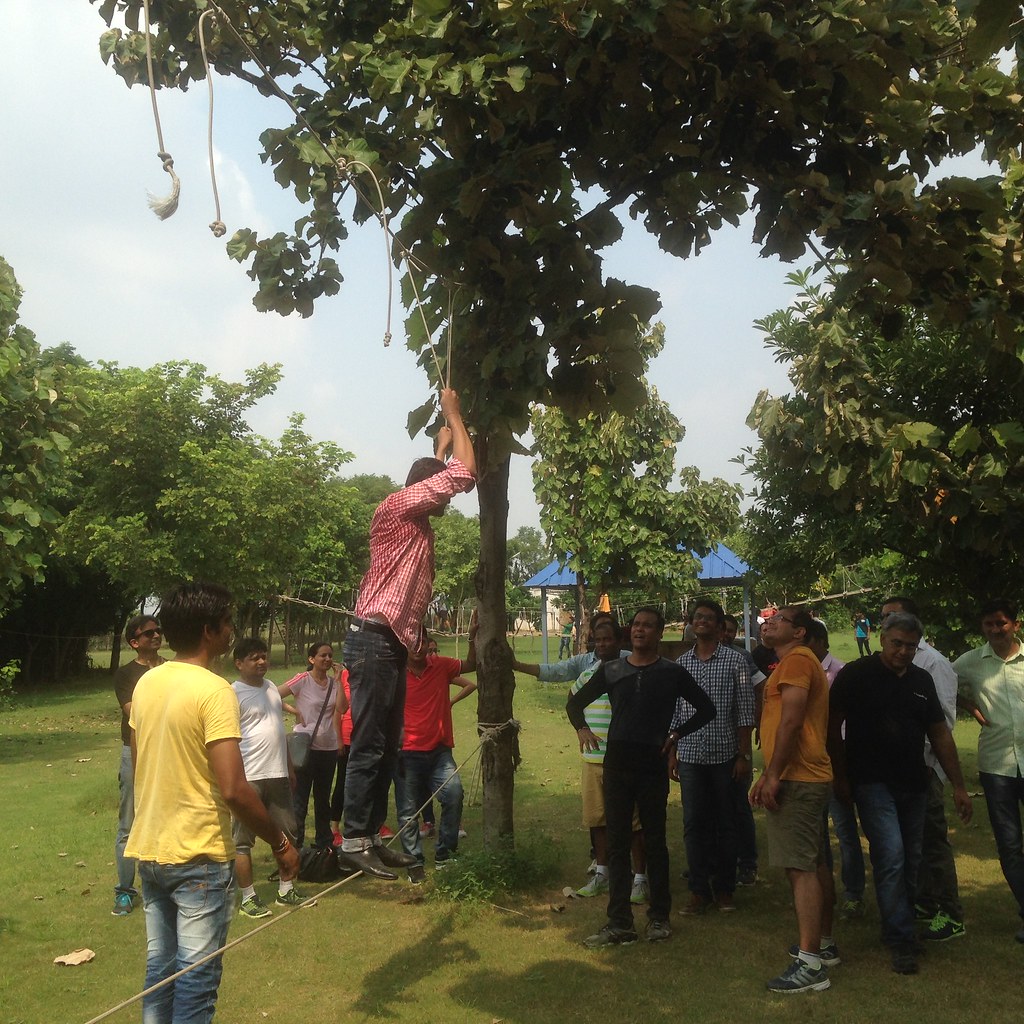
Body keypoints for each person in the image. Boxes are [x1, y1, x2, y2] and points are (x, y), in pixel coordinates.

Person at [127, 582, 298, 1024]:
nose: (232, 631)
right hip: (198, 854)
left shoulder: (147, 683)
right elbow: (234, 788)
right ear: (209, 631)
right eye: (227, 624)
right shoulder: (215, 690)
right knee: (196, 982)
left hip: (150, 849)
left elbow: (144, 762)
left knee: (160, 972)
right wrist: (280, 843)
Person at [338, 388, 476, 880]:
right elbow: (464, 475)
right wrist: (455, 416)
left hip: (391, 642)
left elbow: (437, 476)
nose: (446, 502)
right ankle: (353, 836)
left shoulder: (413, 521)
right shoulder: (397, 508)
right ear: (425, 490)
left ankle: (372, 835)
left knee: (387, 741)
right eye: (436, 492)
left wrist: (436, 452)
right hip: (374, 638)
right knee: (371, 742)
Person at [829, 611, 972, 975]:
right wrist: (840, 776)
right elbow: (831, 727)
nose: (903, 652)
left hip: (914, 783)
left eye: (911, 646)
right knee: (890, 855)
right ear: (882, 638)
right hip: (871, 782)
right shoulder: (856, 675)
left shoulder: (922, 679)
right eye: (897, 644)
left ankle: (898, 923)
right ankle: (902, 939)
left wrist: (958, 785)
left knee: (911, 858)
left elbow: (940, 734)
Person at [567, 607, 715, 947]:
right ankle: (620, 922)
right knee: (617, 843)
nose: (640, 630)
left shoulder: (671, 673)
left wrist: (676, 734)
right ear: (627, 632)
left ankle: (659, 917)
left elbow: (706, 708)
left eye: (648, 626)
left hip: (652, 764)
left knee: (655, 841)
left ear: (660, 633)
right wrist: (582, 730)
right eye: (635, 625)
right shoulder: (613, 669)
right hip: (616, 763)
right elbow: (575, 704)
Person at [750, 607, 834, 994]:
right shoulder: (789, 662)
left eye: (779, 620)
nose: (769, 623)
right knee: (811, 864)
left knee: (800, 868)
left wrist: (774, 774)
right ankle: (822, 945)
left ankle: (810, 964)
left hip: (798, 779)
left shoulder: (798, 660)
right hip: (801, 776)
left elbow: (792, 720)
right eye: (767, 619)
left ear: (799, 632)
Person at [880, 596, 965, 941]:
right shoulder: (887, 663)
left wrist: (929, 763)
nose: (886, 622)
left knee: (932, 840)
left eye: (894, 616)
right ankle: (926, 903)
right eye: (884, 618)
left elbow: (942, 722)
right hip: (897, 771)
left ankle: (951, 911)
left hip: (925, 769)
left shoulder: (933, 663)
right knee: (911, 842)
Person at [670, 599, 754, 915]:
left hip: (725, 756)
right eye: (697, 617)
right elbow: (676, 712)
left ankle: (725, 889)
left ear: (720, 628)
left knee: (726, 822)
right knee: (694, 823)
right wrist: (673, 752)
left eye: (709, 618)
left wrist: (743, 754)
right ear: (691, 624)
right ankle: (699, 890)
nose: (702, 621)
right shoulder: (681, 664)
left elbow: (745, 711)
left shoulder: (736, 662)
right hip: (691, 755)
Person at [954, 598, 1024, 944]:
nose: (996, 630)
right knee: (1009, 843)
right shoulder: (969, 662)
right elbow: (940, 683)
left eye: (1002, 623)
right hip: (997, 767)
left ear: (1016, 625)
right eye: (989, 625)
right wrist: (968, 704)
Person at [566, 617, 649, 903]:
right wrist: (582, 728)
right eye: (597, 640)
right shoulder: (589, 673)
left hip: (624, 760)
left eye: (607, 639)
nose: (601, 645)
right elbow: (572, 702)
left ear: (619, 641)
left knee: (634, 822)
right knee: (597, 819)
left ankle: (640, 878)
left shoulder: (630, 671)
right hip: (593, 760)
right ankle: (602, 873)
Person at [395, 626, 477, 881]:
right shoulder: (394, 674)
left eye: (422, 641)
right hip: (406, 753)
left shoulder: (441, 665)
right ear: (403, 644)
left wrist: (472, 636)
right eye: (412, 642)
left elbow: (472, 664)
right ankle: (414, 863)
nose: (418, 647)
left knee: (454, 795)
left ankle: (445, 855)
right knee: (408, 812)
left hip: (440, 752)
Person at [231, 637, 304, 918]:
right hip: (249, 776)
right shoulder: (231, 694)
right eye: (254, 658)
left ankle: (287, 891)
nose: (261, 662)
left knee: (289, 832)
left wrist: (290, 768)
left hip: (278, 774)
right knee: (242, 840)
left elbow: (278, 732)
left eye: (263, 656)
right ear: (239, 663)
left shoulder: (273, 688)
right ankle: (248, 898)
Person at [805, 620, 865, 922]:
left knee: (844, 830)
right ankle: (820, 891)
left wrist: (840, 769)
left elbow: (843, 724)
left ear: (818, 641)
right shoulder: (802, 671)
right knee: (816, 834)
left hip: (834, 761)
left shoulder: (839, 672)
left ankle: (853, 893)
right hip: (810, 764)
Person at [111, 613, 164, 917]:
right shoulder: (125, 674)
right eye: (148, 634)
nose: (156, 636)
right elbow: (134, 710)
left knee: (163, 817)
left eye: (158, 631)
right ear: (134, 642)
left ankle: (159, 888)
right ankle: (125, 892)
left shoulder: (171, 666)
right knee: (128, 824)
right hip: (135, 752)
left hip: (166, 750)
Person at [278, 641, 342, 851]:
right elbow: (273, 694)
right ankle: (295, 846)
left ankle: (324, 844)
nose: (327, 659)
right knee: (300, 800)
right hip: (304, 750)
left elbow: (342, 708)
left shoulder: (334, 684)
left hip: (328, 748)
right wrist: (294, 711)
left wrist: (340, 681)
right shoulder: (303, 680)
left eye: (330, 655)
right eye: (322, 655)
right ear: (311, 659)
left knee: (323, 799)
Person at [722, 613, 763, 886]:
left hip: (738, 741)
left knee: (739, 806)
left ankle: (747, 864)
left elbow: (761, 687)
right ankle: (714, 861)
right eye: (722, 629)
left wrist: (758, 720)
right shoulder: (693, 657)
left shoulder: (742, 657)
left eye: (730, 630)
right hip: (711, 745)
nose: (725, 634)